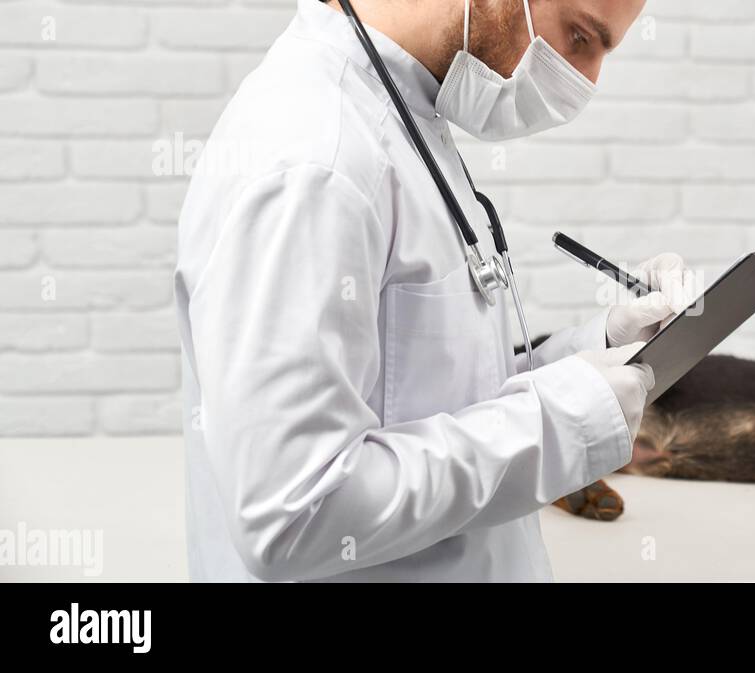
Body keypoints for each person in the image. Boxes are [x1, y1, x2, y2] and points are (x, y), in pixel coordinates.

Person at [174, 0, 686, 582]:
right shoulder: (316, 160)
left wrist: (597, 346)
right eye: (579, 36)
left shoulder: (402, 109)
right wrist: (561, 425)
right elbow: (293, 513)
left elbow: (426, 391)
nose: (588, 79)